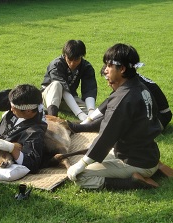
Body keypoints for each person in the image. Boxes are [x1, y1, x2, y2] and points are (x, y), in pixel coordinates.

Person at [66, 43, 166, 190]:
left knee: (81, 176)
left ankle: (133, 182)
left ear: (122, 69)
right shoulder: (140, 87)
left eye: (108, 65)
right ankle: (154, 168)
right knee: (97, 157)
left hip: (134, 161)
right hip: (149, 155)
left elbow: (106, 136)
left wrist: (82, 164)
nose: (105, 70)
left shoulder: (123, 98)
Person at [0, 84, 48, 174]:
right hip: (3, 135)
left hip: (11, 143)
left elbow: (32, 162)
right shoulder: (21, 99)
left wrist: (11, 148)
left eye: (13, 108)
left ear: (28, 111)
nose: (10, 109)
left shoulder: (35, 130)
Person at [67, 67, 172, 132]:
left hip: (158, 119)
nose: (109, 84)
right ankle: (84, 125)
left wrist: (87, 121)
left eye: (109, 79)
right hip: (154, 115)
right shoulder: (130, 80)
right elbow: (109, 102)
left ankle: (82, 128)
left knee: (117, 116)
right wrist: (89, 120)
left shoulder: (132, 85)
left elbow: (111, 104)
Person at [41, 40, 97, 120]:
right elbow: (63, 88)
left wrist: (91, 111)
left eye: (76, 60)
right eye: (69, 59)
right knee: (57, 84)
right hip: (48, 98)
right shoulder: (56, 65)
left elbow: (89, 89)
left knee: (96, 113)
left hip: (68, 98)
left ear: (82, 56)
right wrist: (79, 114)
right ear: (65, 55)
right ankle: (52, 117)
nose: (72, 63)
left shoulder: (86, 67)